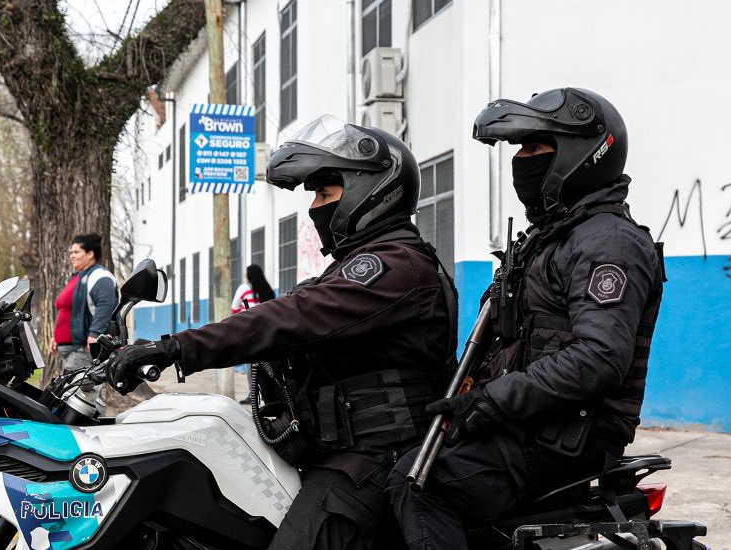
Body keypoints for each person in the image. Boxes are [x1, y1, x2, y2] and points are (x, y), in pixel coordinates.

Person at [106, 115, 457, 550]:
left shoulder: (396, 265)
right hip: (335, 452)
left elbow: (291, 318)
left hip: (378, 461)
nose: (315, 207)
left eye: (325, 193)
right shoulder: (360, 265)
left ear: (371, 190)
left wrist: (176, 348)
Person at [385, 88, 666, 549]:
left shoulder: (606, 242)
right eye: (519, 148)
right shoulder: (552, 237)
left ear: (581, 155)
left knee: (420, 486)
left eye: (535, 148)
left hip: (572, 434)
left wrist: (493, 401)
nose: (521, 159)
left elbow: (599, 357)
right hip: (537, 422)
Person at [50, 233, 118, 414]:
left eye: (76, 251)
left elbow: (105, 305)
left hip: (83, 349)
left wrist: (95, 334)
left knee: (83, 395)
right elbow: (68, 310)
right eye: (70, 252)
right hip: (71, 349)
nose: (72, 255)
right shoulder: (79, 277)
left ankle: (98, 432)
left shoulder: (99, 276)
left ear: (90, 254)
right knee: (76, 395)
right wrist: (55, 337)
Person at [231, 264, 276, 404]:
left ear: (249, 275)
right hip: (267, 330)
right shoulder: (269, 290)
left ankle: (253, 395)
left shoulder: (244, 288)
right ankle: (272, 395)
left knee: (252, 365)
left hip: (250, 331)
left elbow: (234, 308)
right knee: (269, 364)